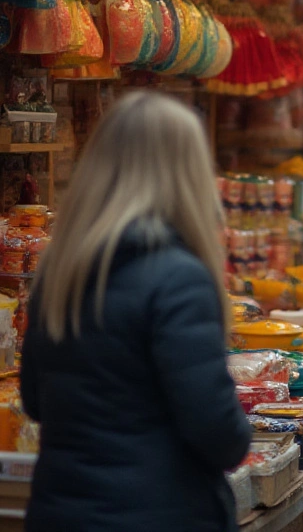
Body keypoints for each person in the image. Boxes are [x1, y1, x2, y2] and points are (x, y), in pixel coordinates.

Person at [20, 92, 252, 532]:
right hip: (157, 514)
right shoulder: (179, 278)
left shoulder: (60, 268)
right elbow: (219, 435)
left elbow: (35, 399)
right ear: (188, 174)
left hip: (61, 512)